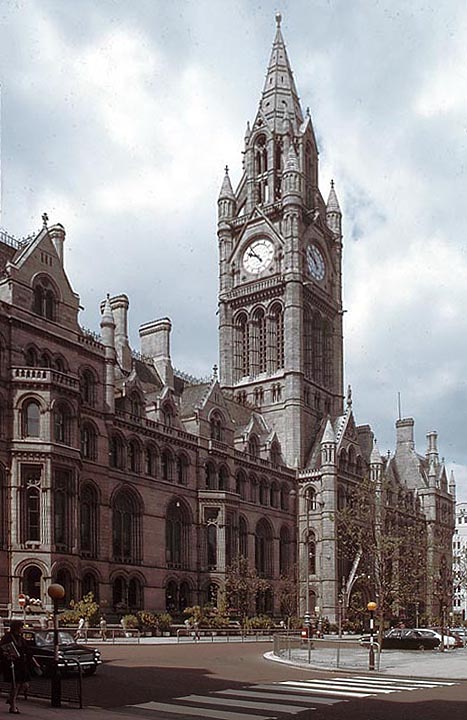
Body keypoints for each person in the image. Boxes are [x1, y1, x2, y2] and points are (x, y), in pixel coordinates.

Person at [0, 620, 40, 714]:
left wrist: (35, 663)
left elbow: (28, 651)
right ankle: (13, 706)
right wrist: (7, 654)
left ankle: (11, 698)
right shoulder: (7, 637)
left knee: (25, 684)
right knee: (16, 685)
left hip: (22, 663)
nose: (22, 629)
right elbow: (1, 650)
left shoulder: (21, 639)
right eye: (21, 627)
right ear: (17, 628)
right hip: (12, 663)